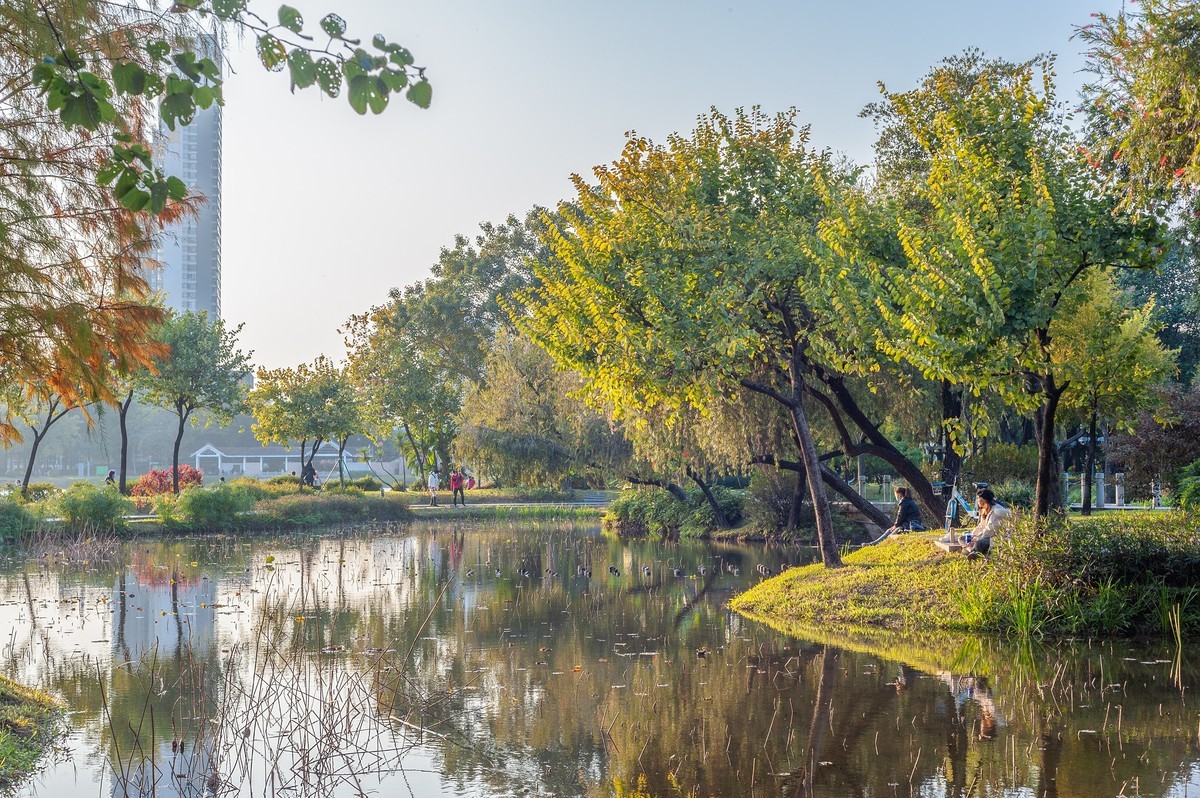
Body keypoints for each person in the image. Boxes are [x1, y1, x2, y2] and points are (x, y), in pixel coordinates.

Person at [964, 488, 1011, 559]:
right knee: (962, 538)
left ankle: (972, 550)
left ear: (983, 500)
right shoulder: (984, 509)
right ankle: (973, 551)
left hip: (994, 538)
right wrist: (973, 535)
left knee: (978, 543)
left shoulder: (996, 511)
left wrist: (977, 538)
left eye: (978, 498)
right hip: (984, 535)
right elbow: (981, 526)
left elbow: (990, 530)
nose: (977, 500)